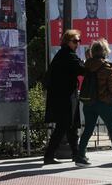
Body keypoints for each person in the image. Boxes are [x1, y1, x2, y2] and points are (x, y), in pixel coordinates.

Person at [75, 38, 112, 167]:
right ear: (105, 52)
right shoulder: (108, 69)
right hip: (103, 103)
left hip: (88, 102)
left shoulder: (87, 66)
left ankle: (80, 156)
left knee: (88, 129)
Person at [44, 29, 85, 164]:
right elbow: (81, 69)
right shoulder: (67, 55)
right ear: (67, 42)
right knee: (64, 126)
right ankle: (50, 156)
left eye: (79, 41)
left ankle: (75, 154)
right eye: (75, 41)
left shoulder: (65, 54)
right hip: (64, 97)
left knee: (70, 126)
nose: (77, 44)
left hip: (64, 96)